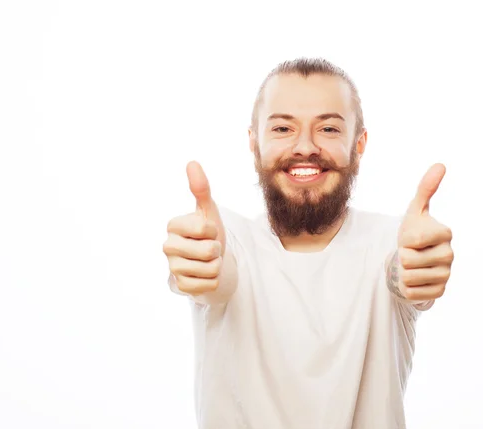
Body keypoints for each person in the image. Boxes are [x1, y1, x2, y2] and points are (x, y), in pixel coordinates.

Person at [162, 58, 454, 429]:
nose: (304, 147)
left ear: (359, 144)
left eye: (329, 128)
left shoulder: (391, 243)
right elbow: (217, 275)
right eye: (283, 127)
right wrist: (198, 265)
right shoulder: (228, 241)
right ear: (254, 143)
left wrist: (416, 269)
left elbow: (403, 273)